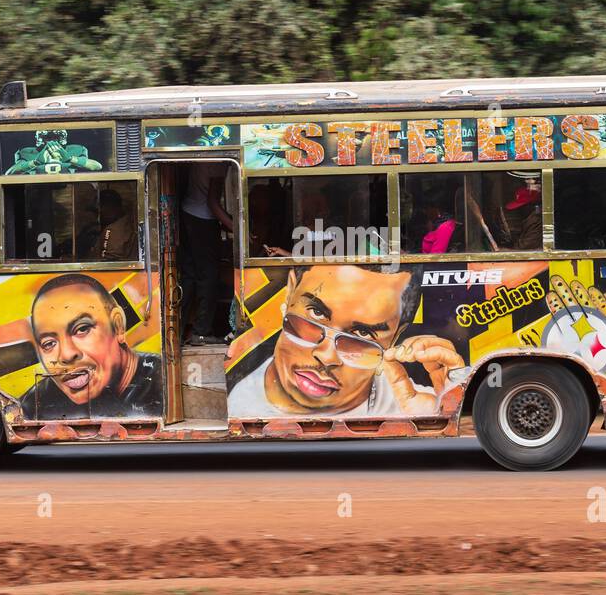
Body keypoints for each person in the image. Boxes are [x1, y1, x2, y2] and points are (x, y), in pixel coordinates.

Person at [226, 264, 467, 418]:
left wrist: (441, 407)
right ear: (289, 293)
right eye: (316, 314)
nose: (326, 356)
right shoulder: (236, 394)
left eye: (361, 335)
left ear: (395, 338)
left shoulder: (415, 404)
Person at [20, 273, 162, 418]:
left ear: (117, 325)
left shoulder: (162, 384)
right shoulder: (33, 406)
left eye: (82, 329)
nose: (67, 355)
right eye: (49, 343)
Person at [179, 162, 233, 345]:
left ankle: (178, 329)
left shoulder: (199, 160)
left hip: (187, 213)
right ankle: (202, 332)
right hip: (203, 220)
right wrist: (236, 228)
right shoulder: (218, 162)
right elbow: (213, 203)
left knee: (189, 276)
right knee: (209, 276)